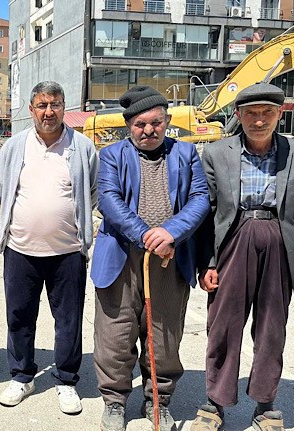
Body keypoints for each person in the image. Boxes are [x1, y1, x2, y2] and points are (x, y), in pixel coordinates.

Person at [191, 83, 294, 431]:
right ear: (238, 115)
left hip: (278, 240)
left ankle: (265, 405)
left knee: (271, 329)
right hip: (234, 240)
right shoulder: (218, 153)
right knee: (223, 326)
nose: (259, 121)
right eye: (251, 114)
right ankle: (215, 405)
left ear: (279, 114)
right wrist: (208, 263)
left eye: (267, 114)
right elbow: (208, 213)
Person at [90, 86, 209, 431]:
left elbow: (200, 198)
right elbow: (109, 201)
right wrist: (145, 234)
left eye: (156, 122)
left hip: (169, 260)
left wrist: (171, 231)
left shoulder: (185, 154)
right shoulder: (112, 155)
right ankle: (114, 402)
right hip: (122, 258)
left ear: (167, 121)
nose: (149, 130)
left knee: (164, 334)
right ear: (129, 126)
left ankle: (158, 399)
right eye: (140, 124)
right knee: (115, 332)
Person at [0, 81, 98, 415]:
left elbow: (92, 190)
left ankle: (66, 380)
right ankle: (23, 375)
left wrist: (76, 224)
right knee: (19, 316)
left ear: (63, 107)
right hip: (20, 249)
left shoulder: (81, 146)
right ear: (31, 109)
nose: (48, 112)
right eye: (41, 105)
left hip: (67, 251)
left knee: (68, 320)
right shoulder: (15, 146)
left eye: (54, 105)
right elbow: (3, 187)